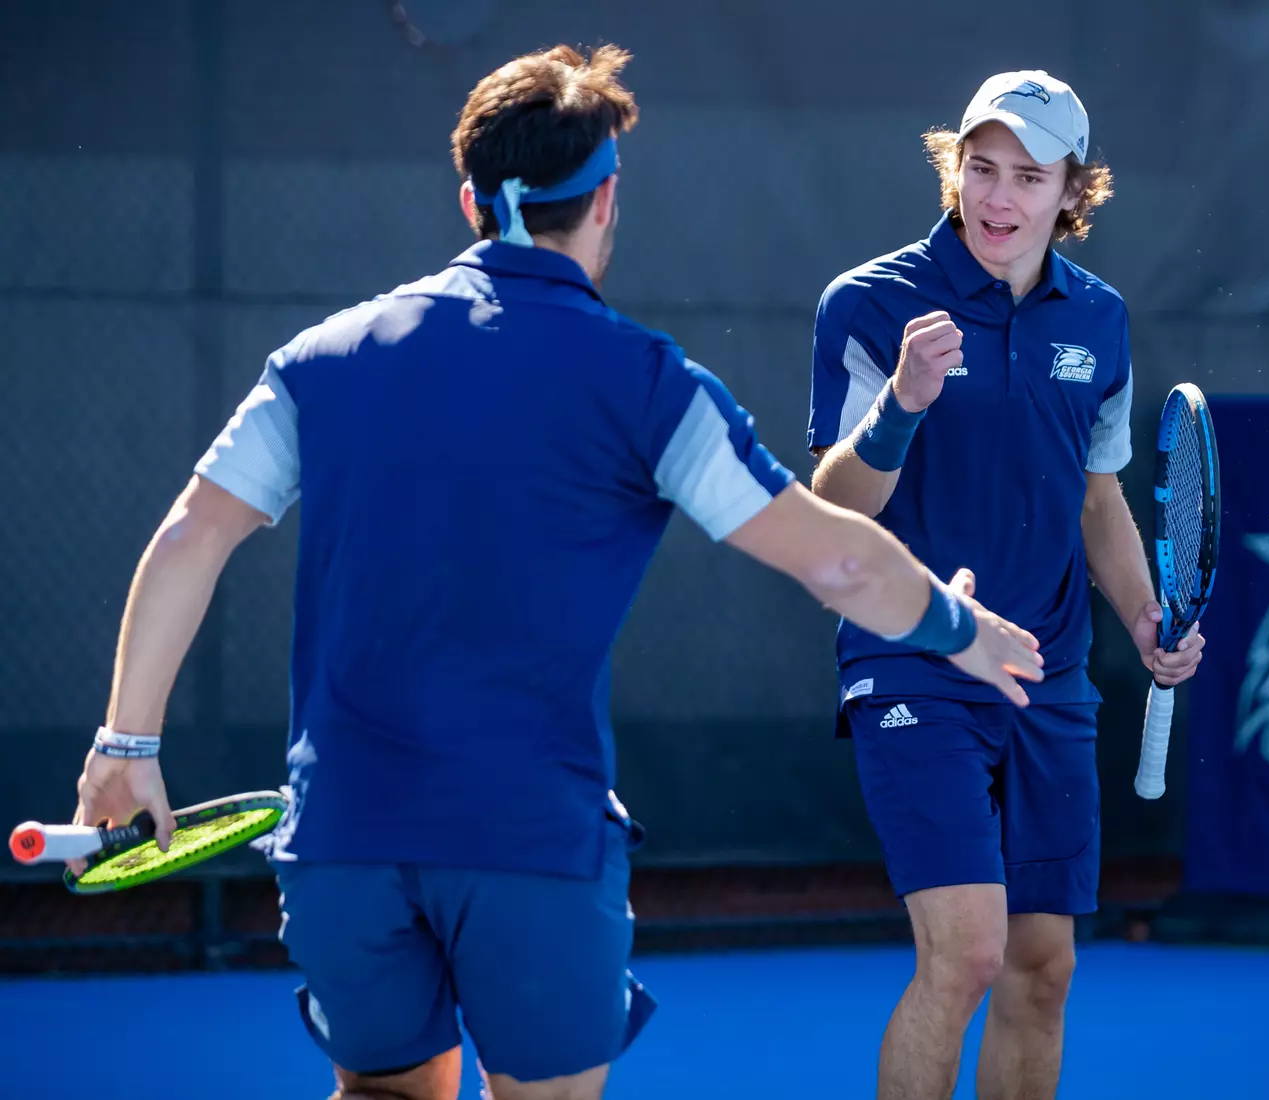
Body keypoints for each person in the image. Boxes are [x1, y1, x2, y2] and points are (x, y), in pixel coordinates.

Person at [65, 45, 1045, 1100]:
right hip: (530, 839)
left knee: (383, 1089)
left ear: (470, 200)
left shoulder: (321, 359)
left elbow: (188, 535)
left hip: (344, 839)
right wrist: (961, 627)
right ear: (606, 201)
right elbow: (842, 557)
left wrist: (127, 741)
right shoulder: (650, 384)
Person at [806, 69, 1207, 1100]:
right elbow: (832, 501)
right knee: (969, 950)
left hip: (1051, 671)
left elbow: (1098, 499)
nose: (998, 197)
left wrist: (1142, 614)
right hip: (912, 656)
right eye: (981, 168)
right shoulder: (869, 303)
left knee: (1044, 966)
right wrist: (902, 401)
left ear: (1071, 191)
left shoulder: (1101, 323)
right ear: (955, 168)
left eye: (1028, 176)